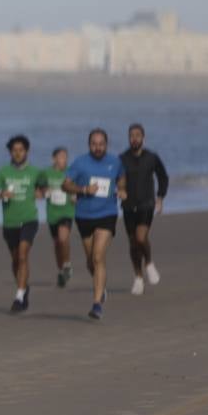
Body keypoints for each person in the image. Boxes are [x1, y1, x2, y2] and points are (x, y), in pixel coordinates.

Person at [64, 128, 127, 320]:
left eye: (101, 144)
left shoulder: (115, 162)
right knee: (91, 261)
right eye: (94, 144)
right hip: (84, 216)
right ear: (88, 144)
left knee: (99, 257)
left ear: (106, 144)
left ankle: (97, 303)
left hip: (107, 213)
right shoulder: (80, 163)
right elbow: (65, 185)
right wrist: (83, 189)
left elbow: (122, 179)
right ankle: (101, 288)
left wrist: (122, 190)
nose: (98, 147)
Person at [0, 135, 45, 313]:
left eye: (21, 150)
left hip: (29, 219)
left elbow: (45, 186)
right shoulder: (2, 173)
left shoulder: (35, 172)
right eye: (14, 150)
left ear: (26, 151)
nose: (18, 153)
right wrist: (0, 194)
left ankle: (19, 295)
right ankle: (24, 286)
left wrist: (42, 192)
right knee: (15, 260)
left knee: (22, 255)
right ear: (10, 152)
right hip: (10, 222)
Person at [119, 123, 170, 295]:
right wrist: (118, 190)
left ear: (143, 138)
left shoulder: (152, 157)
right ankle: (138, 277)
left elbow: (163, 176)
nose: (134, 138)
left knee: (141, 238)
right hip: (128, 206)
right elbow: (115, 179)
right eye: (131, 135)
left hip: (146, 204)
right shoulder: (122, 158)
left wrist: (160, 197)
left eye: (137, 135)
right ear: (128, 138)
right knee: (133, 243)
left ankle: (148, 263)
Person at [41, 146, 76, 288]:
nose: (64, 160)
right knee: (57, 244)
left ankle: (67, 264)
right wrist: (45, 192)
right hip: (52, 213)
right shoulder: (46, 173)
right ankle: (61, 270)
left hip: (67, 212)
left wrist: (75, 195)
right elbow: (39, 189)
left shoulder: (71, 172)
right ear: (54, 159)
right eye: (61, 157)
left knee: (63, 238)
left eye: (65, 157)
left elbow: (77, 188)